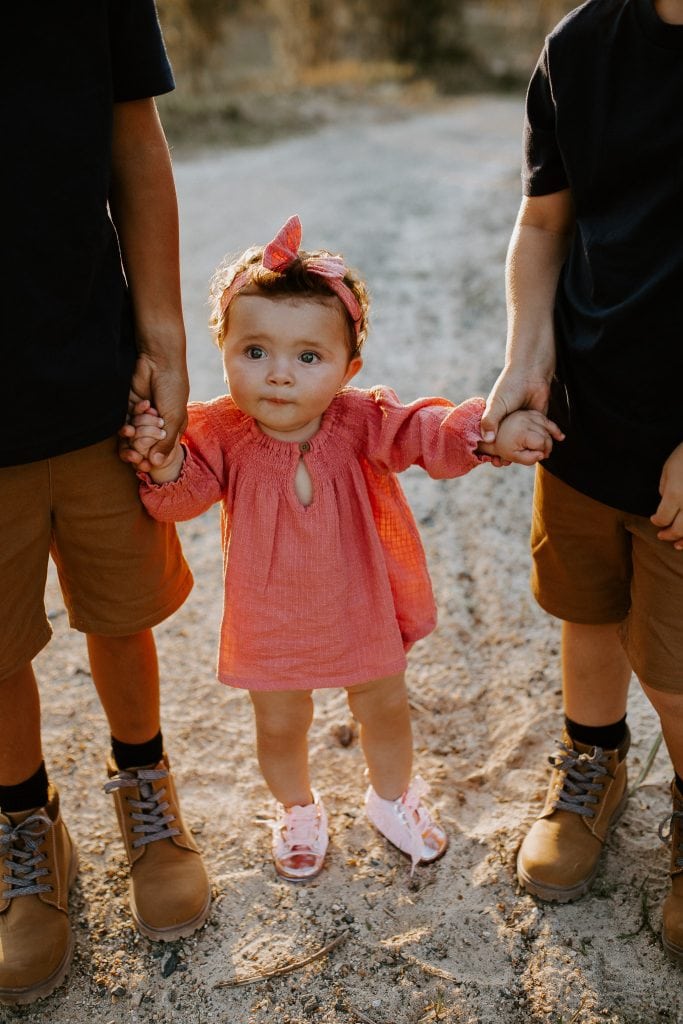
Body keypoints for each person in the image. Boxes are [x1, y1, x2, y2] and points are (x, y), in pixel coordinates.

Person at [128, 214, 563, 883]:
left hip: (360, 601)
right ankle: (297, 808)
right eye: (254, 352)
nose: (278, 376)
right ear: (221, 348)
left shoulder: (360, 418)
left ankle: (390, 798)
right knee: (279, 722)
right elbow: (182, 497)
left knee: (383, 706)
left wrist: (487, 434)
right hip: (269, 616)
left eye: (308, 357)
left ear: (347, 366)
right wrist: (161, 466)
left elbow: (424, 432)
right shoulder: (219, 431)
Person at [0, 3, 210, 1007]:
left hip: (91, 383)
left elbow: (135, 136)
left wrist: (163, 336)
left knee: (122, 618)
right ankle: (24, 826)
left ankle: (145, 788)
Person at [480, 0, 683, 961]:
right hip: (588, 411)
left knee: (678, 669)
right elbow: (542, 220)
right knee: (585, 610)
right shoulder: (580, 44)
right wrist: (528, 352)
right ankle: (592, 763)